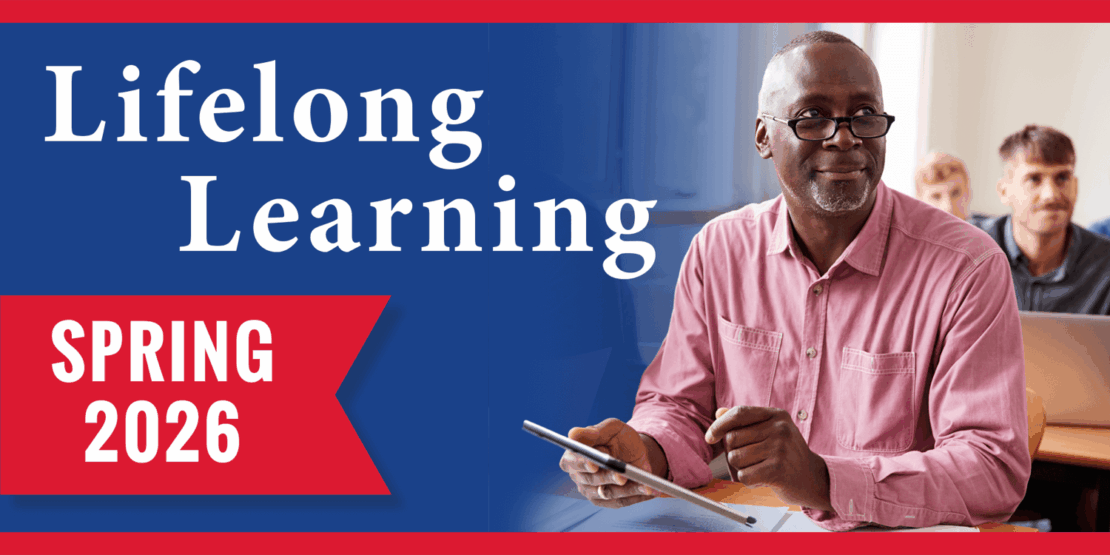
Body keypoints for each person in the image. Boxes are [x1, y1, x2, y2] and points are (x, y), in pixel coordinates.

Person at [557, 31, 1030, 531]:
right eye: (812, 117)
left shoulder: (967, 266)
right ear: (763, 136)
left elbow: (992, 468)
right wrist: (645, 451)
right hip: (742, 522)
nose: (844, 137)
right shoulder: (719, 250)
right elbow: (679, 407)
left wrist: (823, 478)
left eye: (865, 115)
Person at [972, 125, 1110, 315]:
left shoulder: (1106, 265)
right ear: (1004, 192)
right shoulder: (969, 252)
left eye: (1062, 178)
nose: (1050, 194)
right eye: (1034, 179)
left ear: (1075, 186)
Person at [913, 151, 986, 224]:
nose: (948, 207)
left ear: (968, 193)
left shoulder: (991, 232)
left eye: (955, 193)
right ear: (919, 201)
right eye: (936, 196)